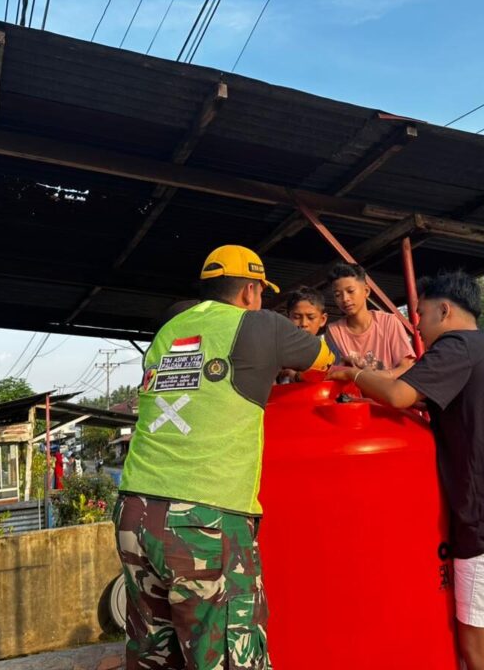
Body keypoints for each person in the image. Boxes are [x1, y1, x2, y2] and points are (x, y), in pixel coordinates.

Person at [117, 244, 335, 670]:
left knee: (155, 654)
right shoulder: (260, 325)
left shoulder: (169, 330)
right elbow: (322, 363)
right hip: (205, 518)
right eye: (261, 292)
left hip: (134, 513)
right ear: (251, 290)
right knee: (228, 656)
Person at [328, 270, 484, 670]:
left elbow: (399, 394)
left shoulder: (456, 346)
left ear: (445, 310)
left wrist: (354, 375)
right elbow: (425, 400)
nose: (416, 325)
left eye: (421, 314)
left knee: (480, 655)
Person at [326, 263, 415, 376]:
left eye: (350, 291)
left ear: (366, 291)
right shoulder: (334, 331)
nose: (345, 299)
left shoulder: (389, 322)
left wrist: (377, 377)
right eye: (337, 295)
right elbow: (334, 371)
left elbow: (407, 367)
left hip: (388, 387)